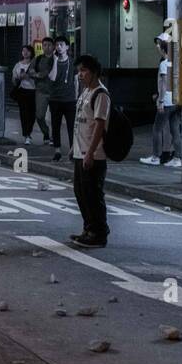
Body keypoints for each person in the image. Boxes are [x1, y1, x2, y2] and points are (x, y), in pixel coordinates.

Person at [69, 54, 111, 250]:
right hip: (80, 151)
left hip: (93, 154)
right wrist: (74, 148)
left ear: (94, 72)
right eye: (79, 71)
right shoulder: (85, 92)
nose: (80, 75)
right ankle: (88, 229)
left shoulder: (101, 94)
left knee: (93, 194)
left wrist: (90, 153)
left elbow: (99, 125)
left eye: (84, 71)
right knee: (81, 192)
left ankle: (99, 233)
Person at [142, 35, 179, 167]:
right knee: (175, 129)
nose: (157, 46)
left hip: (167, 101)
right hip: (175, 101)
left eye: (158, 44)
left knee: (157, 129)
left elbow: (163, 84)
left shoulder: (164, 63)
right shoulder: (176, 62)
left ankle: (156, 157)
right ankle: (177, 159)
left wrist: (161, 100)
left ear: (163, 47)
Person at [48, 38, 77, 161]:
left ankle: (72, 150)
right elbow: (52, 77)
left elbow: (76, 80)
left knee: (72, 126)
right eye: (57, 45)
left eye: (61, 45)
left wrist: (77, 96)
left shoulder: (72, 62)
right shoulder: (52, 61)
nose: (59, 47)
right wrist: (55, 61)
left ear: (66, 47)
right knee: (55, 126)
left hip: (70, 99)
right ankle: (57, 151)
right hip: (55, 99)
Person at [11, 46, 38, 144]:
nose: (25, 53)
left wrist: (30, 76)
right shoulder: (18, 65)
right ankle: (27, 134)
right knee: (23, 113)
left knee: (32, 114)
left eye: (28, 51)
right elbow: (13, 80)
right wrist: (18, 78)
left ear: (31, 52)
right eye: (23, 51)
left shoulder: (35, 64)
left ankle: (28, 131)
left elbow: (39, 78)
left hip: (33, 91)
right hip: (22, 91)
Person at [33, 37, 56, 146]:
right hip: (41, 91)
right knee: (40, 116)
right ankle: (46, 132)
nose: (47, 47)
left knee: (56, 117)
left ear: (53, 46)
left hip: (55, 92)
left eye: (49, 45)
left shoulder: (57, 59)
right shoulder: (38, 59)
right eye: (45, 45)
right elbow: (30, 70)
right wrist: (37, 74)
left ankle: (54, 137)